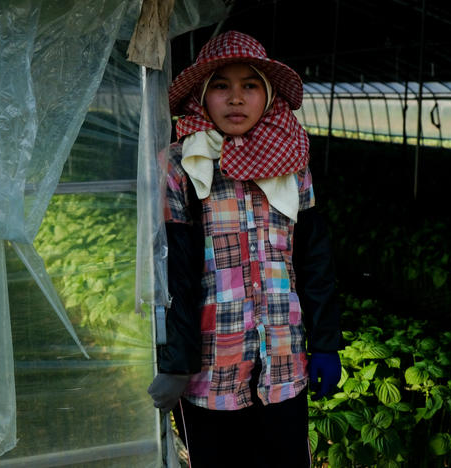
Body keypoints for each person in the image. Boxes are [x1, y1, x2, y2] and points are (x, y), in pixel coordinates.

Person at [148, 30, 341, 468]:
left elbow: (314, 260)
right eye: (221, 86)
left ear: (267, 96)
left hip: (283, 361)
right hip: (211, 369)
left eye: (249, 86)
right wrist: (176, 361)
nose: (236, 98)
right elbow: (172, 270)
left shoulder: (293, 164)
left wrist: (326, 342)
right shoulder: (181, 166)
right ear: (202, 95)